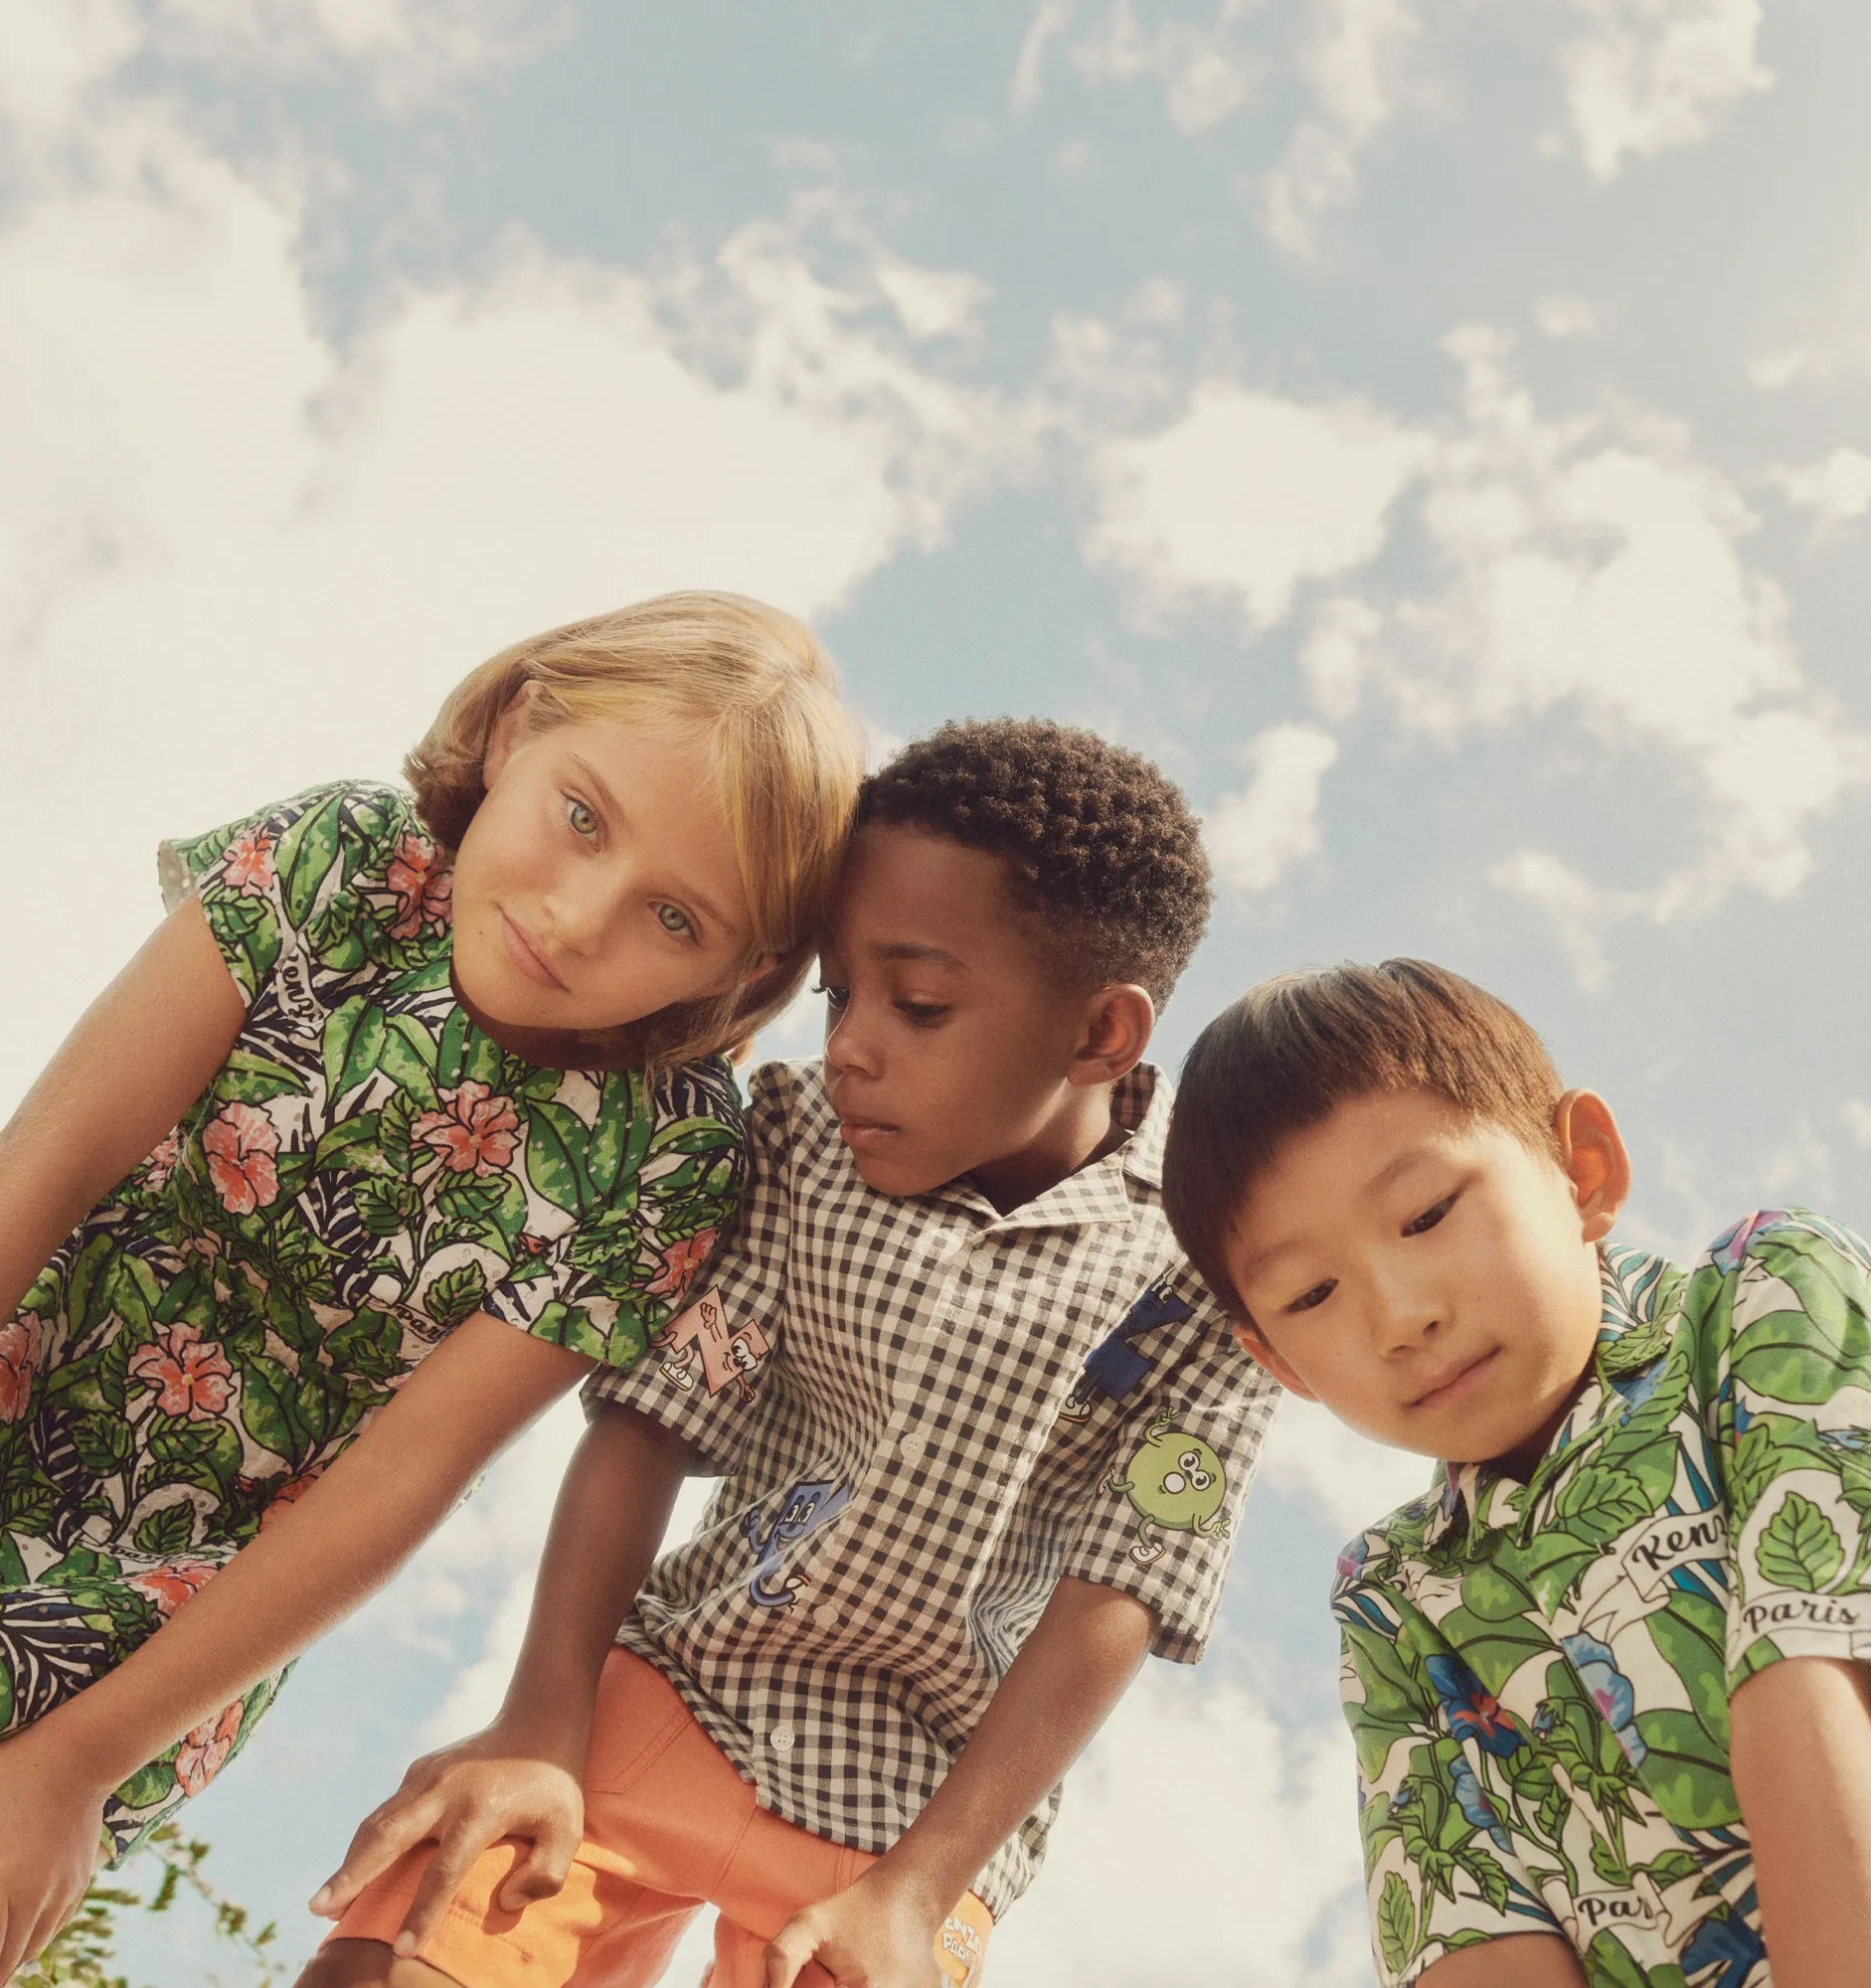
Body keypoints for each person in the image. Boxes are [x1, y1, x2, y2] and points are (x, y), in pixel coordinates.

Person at [0, 591, 864, 1988]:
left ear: (743, 969)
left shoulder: (662, 1154)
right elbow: (37, 1169)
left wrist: (78, 1767)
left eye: (672, 916)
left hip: (163, 1610)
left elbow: (401, 1481)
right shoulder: (341, 863)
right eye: (582, 816)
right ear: (522, 725)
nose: (579, 918)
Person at [300, 719, 1281, 1988]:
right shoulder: (803, 1141)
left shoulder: (1214, 1260)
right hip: (676, 1690)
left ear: (1100, 1032)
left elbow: (1118, 1592)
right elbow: (649, 1419)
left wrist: (919, 1890)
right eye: (838, 993)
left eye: (917, 1005)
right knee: (395, 1946)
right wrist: (543, 1718)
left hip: (916, 1823)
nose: (849, 1044)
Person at [1160, 957, 1871, 1988]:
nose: (1399, 1316)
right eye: (1311, 1293)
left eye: (1424, 1214)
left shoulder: (1760, 1301)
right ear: (1276, 1361)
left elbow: (1809, 1687)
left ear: (1580, 1167)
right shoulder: (1393, 1603)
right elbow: (1470, 1937)